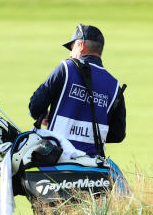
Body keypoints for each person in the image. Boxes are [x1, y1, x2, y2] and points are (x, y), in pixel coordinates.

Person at [28, 24, 126, 159]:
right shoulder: (114, 85)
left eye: (72, 47)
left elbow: (35, 106)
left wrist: (45, 115)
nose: (70, 53)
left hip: (56, 160)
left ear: (81, 45)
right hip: (93, 166)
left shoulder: (66, 68)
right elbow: (118, 134)